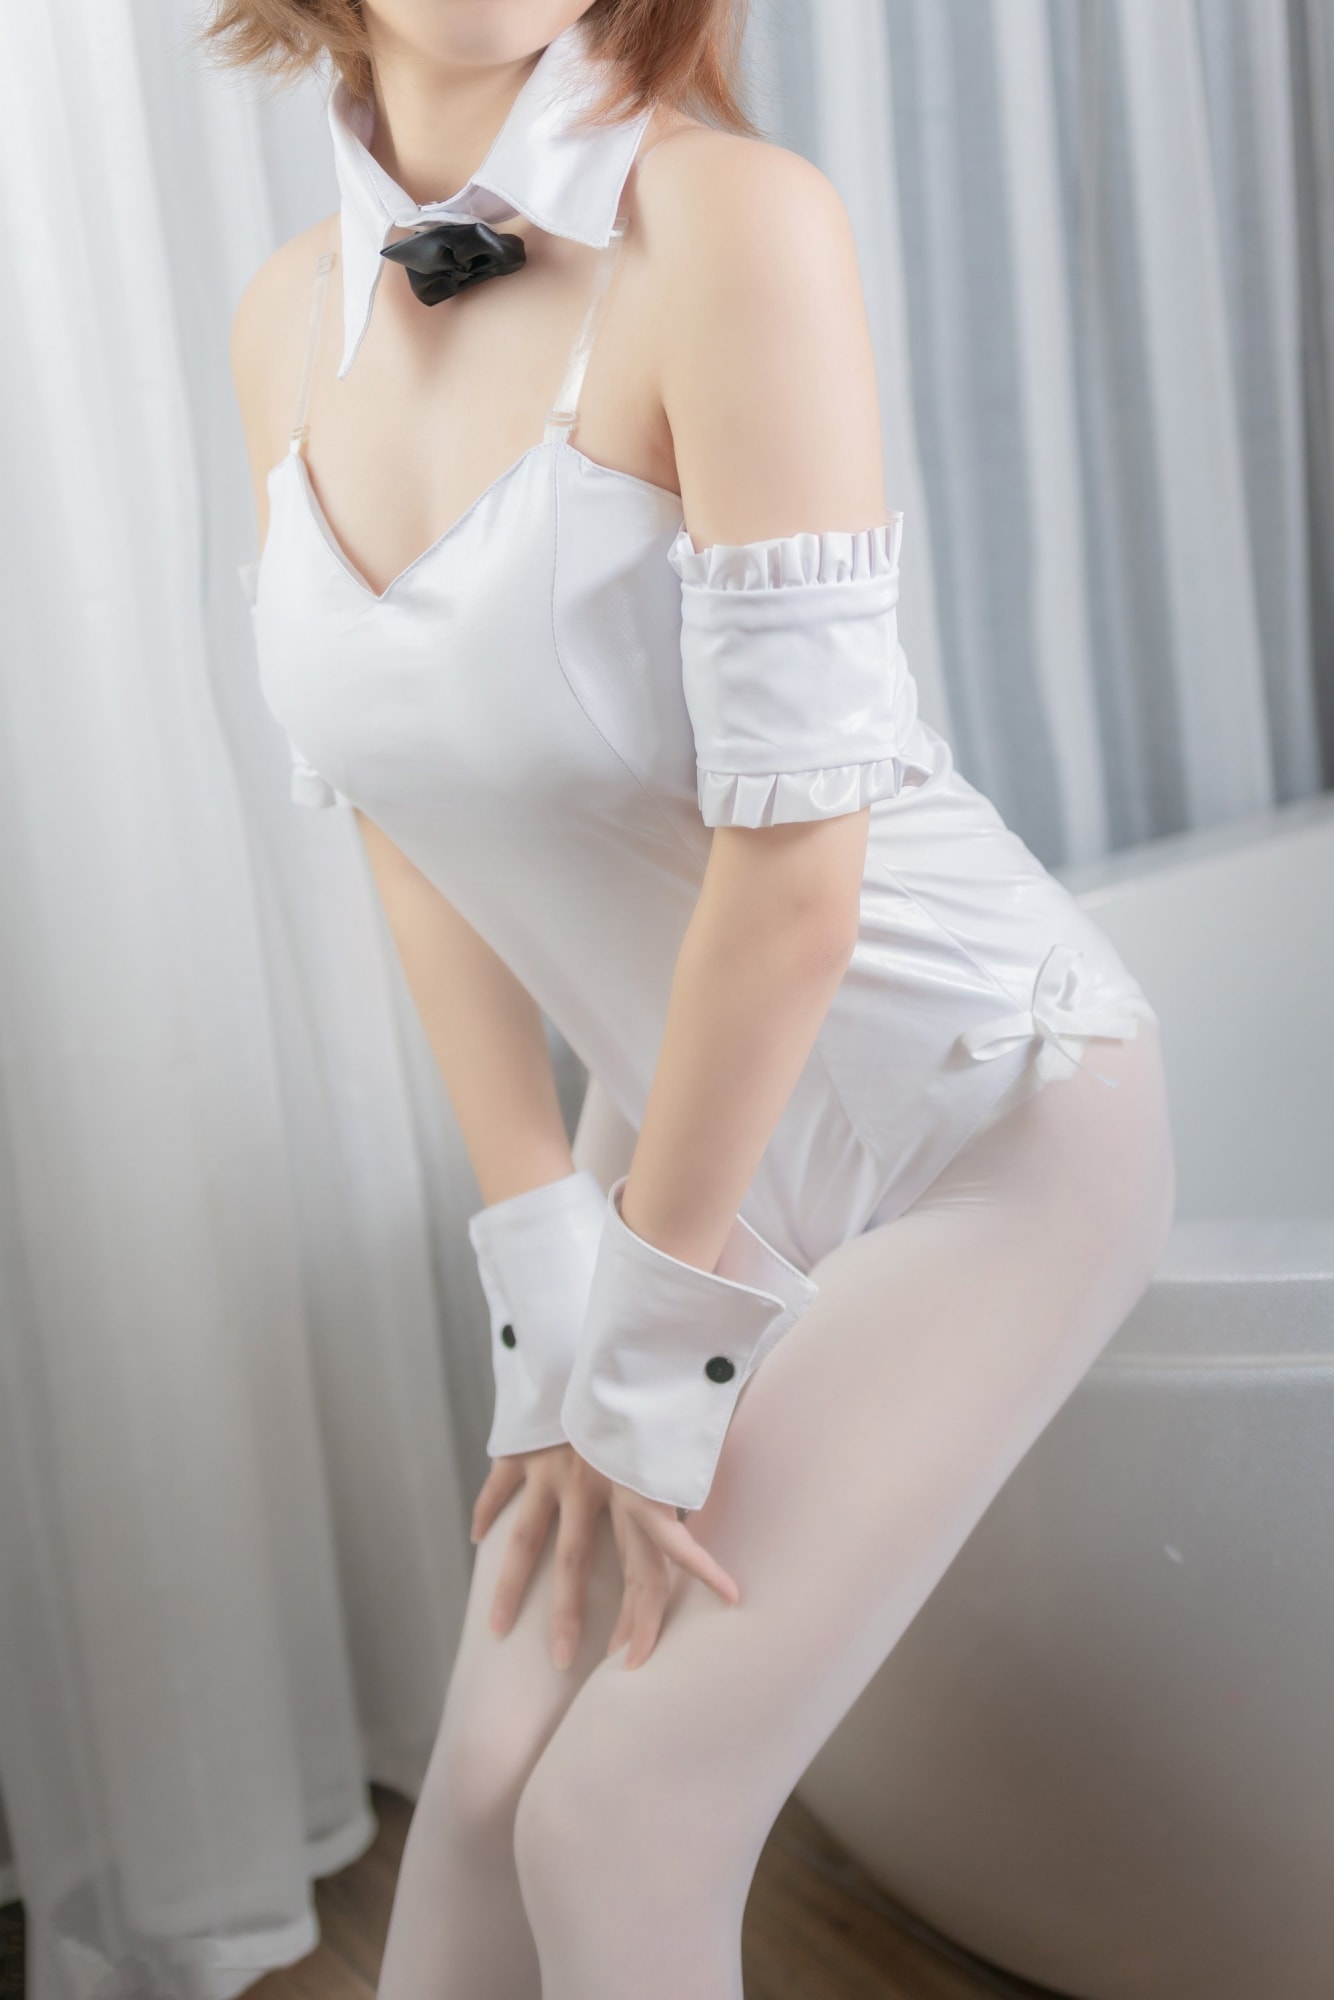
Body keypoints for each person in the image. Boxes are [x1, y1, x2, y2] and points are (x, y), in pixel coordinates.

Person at [218, 2, 1176, 1993]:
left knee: (618, 1812)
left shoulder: (732, 223)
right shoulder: (284, 322)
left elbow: (797, 873)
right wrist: (543, 1277)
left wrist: (645, 1353)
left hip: (977, 1120)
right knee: (480, 1795)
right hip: (672, 1129)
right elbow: (406, 819)